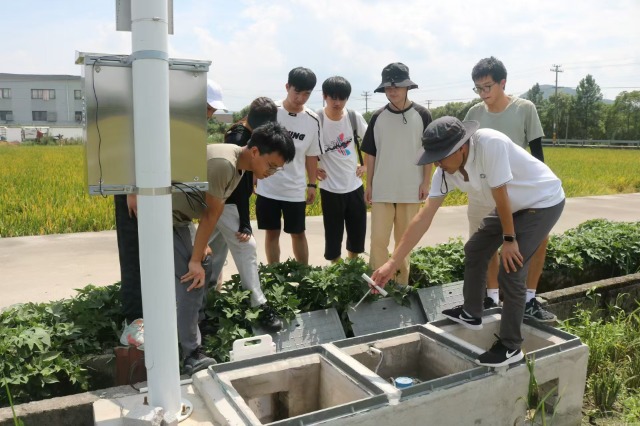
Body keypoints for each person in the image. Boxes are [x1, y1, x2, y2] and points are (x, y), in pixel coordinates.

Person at [371, 116, 565, 367]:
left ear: (461, 147)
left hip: (542, 201)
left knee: (511, 266)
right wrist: (392, 262)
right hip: (512, 205)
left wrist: (509, 239)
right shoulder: (444, 171)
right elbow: (424, 216)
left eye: (442, 155)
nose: (438, 162)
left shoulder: (490, 144)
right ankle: (472, 312)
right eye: (435, 156)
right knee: (475, 248)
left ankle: (510, 346)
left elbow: (501, 193)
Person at [172, 121, 295, 374]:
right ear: (255, 152)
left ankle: (197, 325)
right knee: (192, 275)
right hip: (164, 217)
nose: (271, 172)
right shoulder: (225, 164)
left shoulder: (238, 166)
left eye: (277, 169)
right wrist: (195, 258)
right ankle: (191, 354)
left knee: (201, 263)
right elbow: (210, 215)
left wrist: (201, 248)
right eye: (271, 166)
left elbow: (210, 213)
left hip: (178, 219)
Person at [117, 79, 227, 349]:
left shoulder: (190, 126)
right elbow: (131, 144)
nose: (210, 115)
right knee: (135, 254)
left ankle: (168, 314)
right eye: (208, 108)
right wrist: (132, 189)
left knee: (165, 258)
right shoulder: (158, 114)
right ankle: (135, 320)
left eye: (212, 111)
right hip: (137, 194)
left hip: (168, 198)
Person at [464, 57, 555, 322]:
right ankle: (491, 297)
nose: (483, 94)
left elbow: (537, 155)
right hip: (482, 191)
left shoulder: (524, 109)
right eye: (478, 88)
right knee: (485, 245)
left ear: (503, 83)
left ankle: (528, 299)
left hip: (519, 193)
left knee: (538, 242)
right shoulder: (473, 114)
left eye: (488, 87)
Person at [207, 97, 284, 332]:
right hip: (226, 202)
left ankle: (206, 304)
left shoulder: (243, 130)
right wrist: (245, 222)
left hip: (224, 200)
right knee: (246, 246)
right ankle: (259, 304)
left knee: (213, 253)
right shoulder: (240, 137)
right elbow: (238, 186)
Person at [361, 62, 432, 285]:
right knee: (378, 241)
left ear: (407, 87)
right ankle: (376, 286)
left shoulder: (422, 114)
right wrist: (369, 184)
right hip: (382, 188)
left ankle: (400, 287)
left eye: (397, 87)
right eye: (388, 88)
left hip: (411, 188)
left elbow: (429, 151)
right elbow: (371, 154)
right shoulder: (377, 117)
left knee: (404, 242)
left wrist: (426, 182)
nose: (392, 91)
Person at [255, 67, 322, 265]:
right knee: (272, 232)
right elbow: (256, 147)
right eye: (297, 92)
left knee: (298, 233)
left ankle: (304, 275)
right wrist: (253, 176)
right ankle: (273, 273)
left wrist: (312, 184)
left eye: (306, 94)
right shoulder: (270, 112)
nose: (300, 98)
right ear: (287, 87)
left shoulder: (312, 119)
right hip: (268, 187)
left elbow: (312, 155)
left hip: (294, 188)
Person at [315, 76, 368, 262]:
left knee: (357, 229)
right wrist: (313, 169)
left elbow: (370, 143)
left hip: (354, 184)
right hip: (329, 187)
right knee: (333, 231)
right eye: (332, 98)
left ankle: (352, 266)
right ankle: (336, 269)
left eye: (342, 98)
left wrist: (366, 165)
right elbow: (305, 148)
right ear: (324, 96)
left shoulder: (354, 117)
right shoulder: (317, 119)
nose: (337, 103)